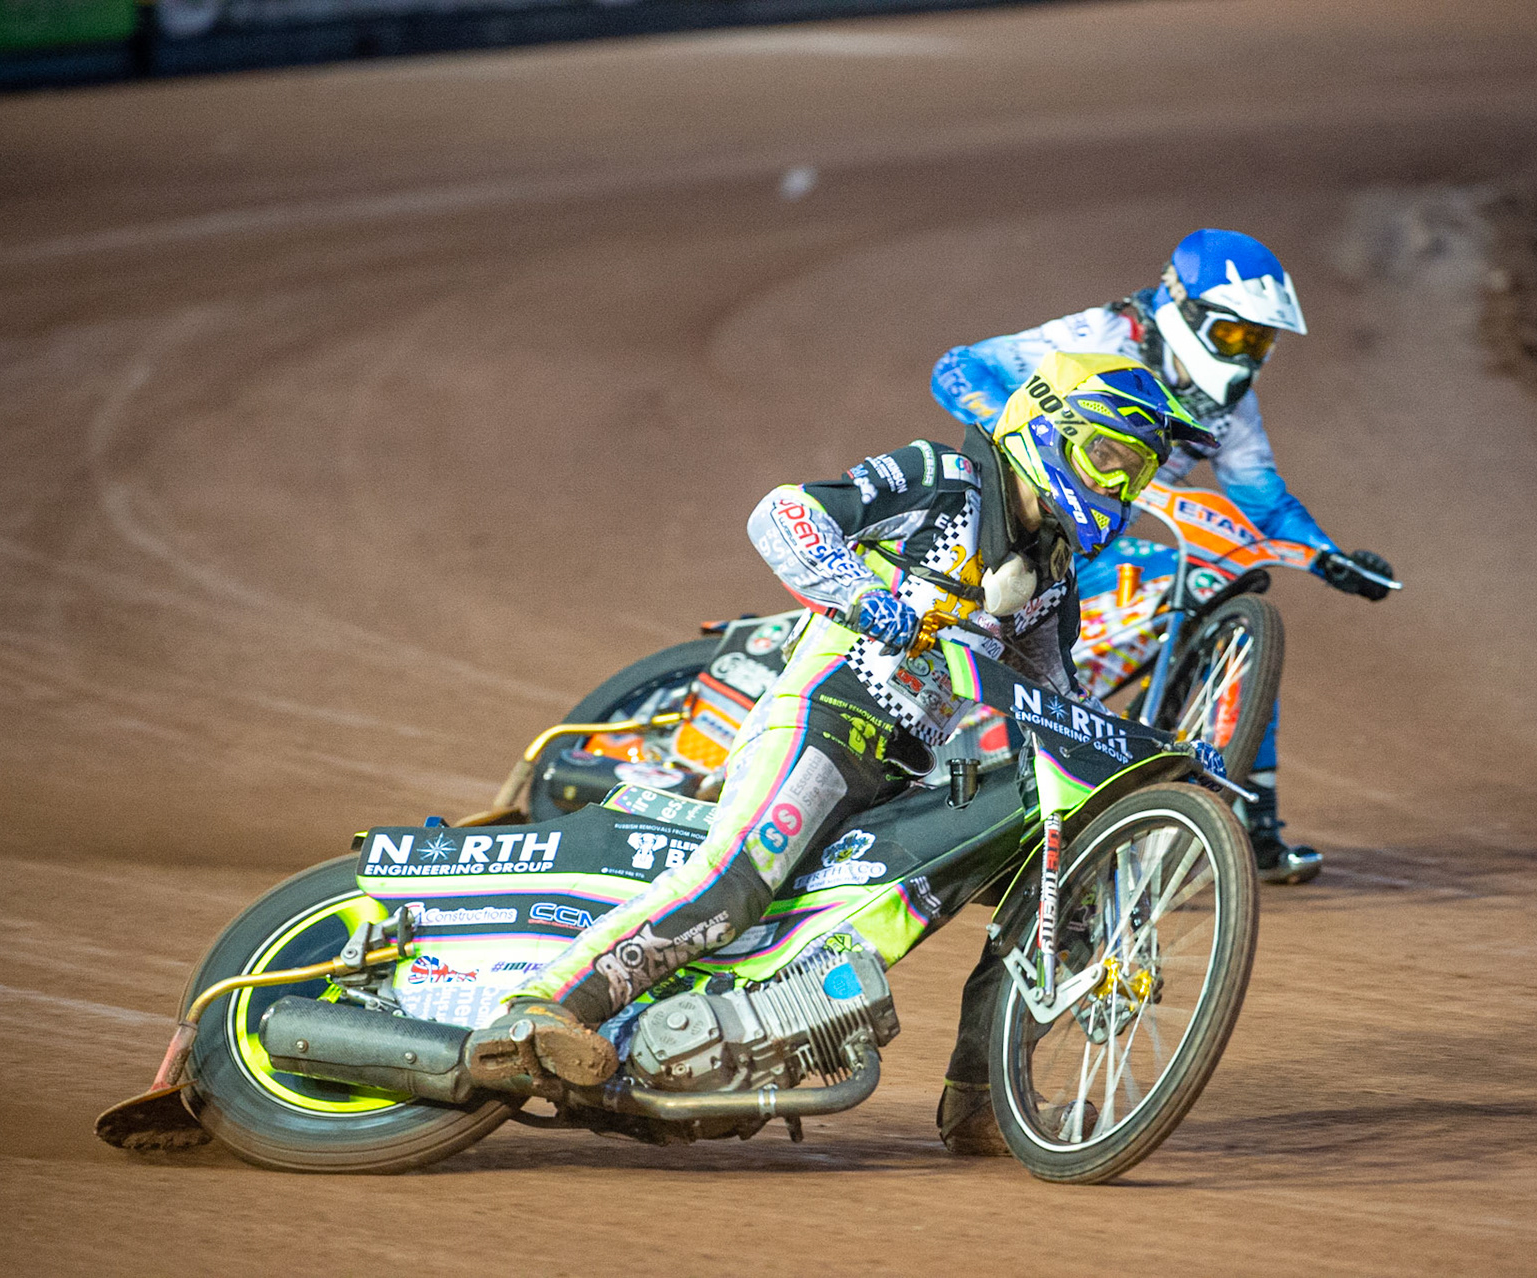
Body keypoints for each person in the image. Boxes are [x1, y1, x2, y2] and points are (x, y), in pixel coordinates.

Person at [460, 351, 1215, 1107]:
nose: (1117, 486)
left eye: (1134, 473)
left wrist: (1157, 757)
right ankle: (545, 1011)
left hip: (902, 773)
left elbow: (1055, 699)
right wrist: (863, 595)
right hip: (825, 717)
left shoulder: (1049, 577)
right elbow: (784, 512)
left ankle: (985, 1099)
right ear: (1048, 426)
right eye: (1107, 457)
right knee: (738, 880)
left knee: (1045, 873)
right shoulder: (941, 480)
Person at [930, 228, 1395, 887]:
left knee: (1228, 600)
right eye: (1236, 336)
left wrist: (1329, 557)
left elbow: (1263, 499)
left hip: (1101, 545)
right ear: (1187, 310)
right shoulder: (1102, 337)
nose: (1248, 357)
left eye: (1260, 342)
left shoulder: (1231, 406)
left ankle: (1253, 829)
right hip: (1018, 527)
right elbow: (954, 368)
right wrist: (1027, 425)